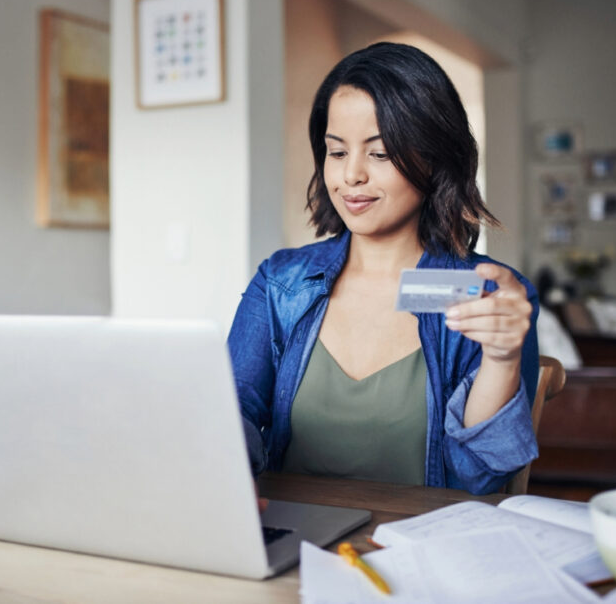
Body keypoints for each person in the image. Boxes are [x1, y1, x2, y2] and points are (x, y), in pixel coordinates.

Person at [227, 42, 539, 496]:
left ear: (433, 156)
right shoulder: (281, 284)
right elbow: (230, 416)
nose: (351, 175)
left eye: (380, 153)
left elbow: (481, 481)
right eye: (337, 152)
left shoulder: (486, 294)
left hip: (418, 548)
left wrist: (502, 358)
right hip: (291, 544)